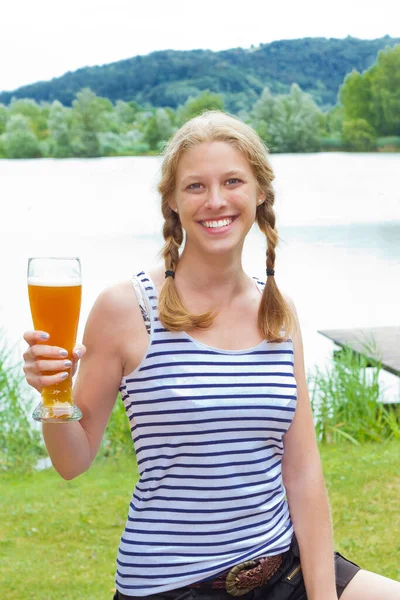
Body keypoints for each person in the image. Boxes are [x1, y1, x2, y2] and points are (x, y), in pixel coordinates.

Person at [23, 111, 400, 600]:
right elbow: (72, 462)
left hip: (282, 568)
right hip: (176, 585)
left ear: (260, 192)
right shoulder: (126, 307)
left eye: (232, 181)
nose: (216, 201)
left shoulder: (278, 313)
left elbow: (303, 474)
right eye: (196, 186)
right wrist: (53, 395)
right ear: (173, 203)